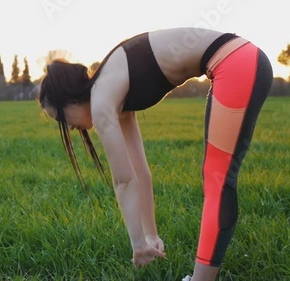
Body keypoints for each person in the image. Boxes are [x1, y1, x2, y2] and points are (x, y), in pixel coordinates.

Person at [37, 27, 273, 281]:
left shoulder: (102, 100)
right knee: (217, 178)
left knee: (218, 180)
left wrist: (137, 245)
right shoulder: (114, 94)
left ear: (68, 99)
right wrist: (150, 236)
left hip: (237, 64)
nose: (70, 128)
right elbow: (140, 172)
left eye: (62, 119)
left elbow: (123, 181)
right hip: (239, 61)